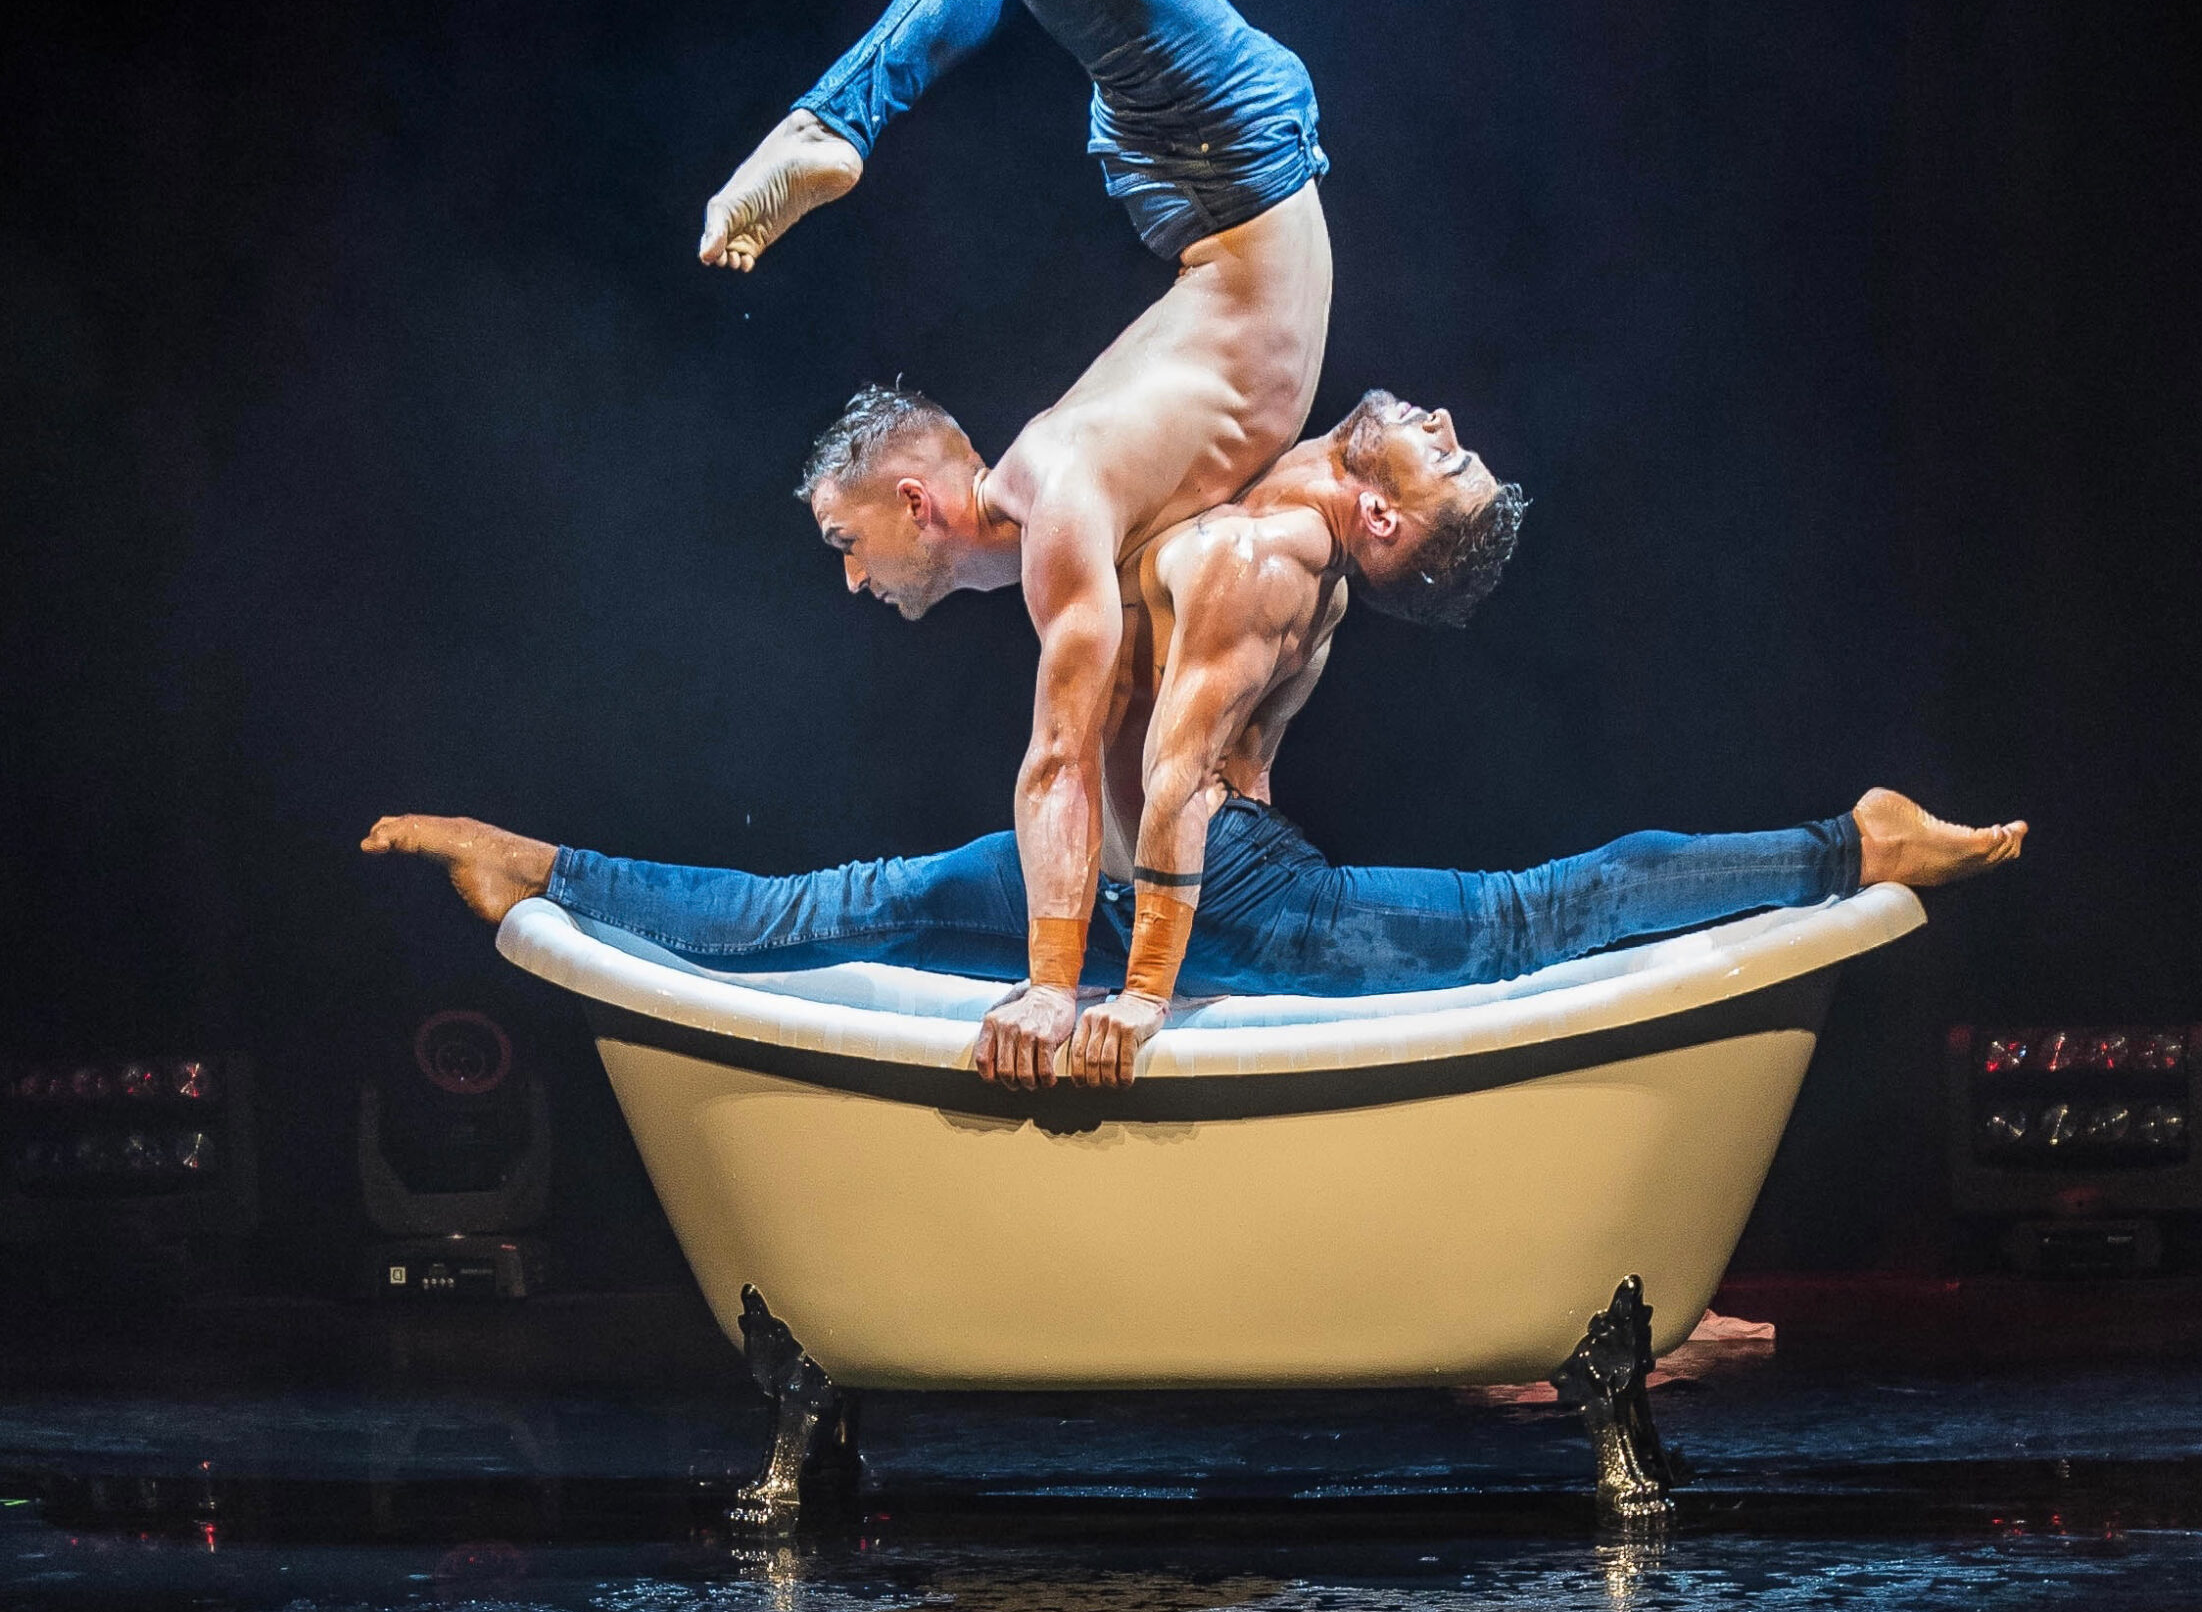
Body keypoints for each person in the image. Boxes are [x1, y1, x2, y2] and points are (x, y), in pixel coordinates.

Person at [570, 0, 1520, 1086]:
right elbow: (1112, 753)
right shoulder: (1180, 511)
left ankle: (819, 47)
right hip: (1209, 162)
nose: (851, 583)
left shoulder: (1088, 511)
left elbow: (1070, 755)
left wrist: (1064, 985)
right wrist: (1092, 974)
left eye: (844, 551)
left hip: (1206, 162)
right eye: (847, 546)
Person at [365, 390, 2024, 1089]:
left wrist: (1133, 999)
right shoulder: (1258, 470)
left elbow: (1165, 780)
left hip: (1213, 885)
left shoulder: (1265, 551)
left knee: (1532, 919)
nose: (1439, 419)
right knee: (833, 904)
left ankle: (1847, 844)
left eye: (1441, 457)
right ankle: (540, 866)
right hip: (1129, 869)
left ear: (1381, 516)